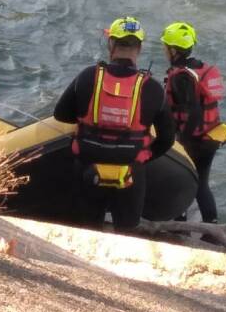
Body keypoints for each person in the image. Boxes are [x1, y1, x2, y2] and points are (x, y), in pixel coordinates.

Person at [53, 16, 176, 231]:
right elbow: (167, 139)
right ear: (139, 48)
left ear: (111, 44)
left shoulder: (88, 76)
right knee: (126, 230)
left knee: (88, 227)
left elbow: (61, 114)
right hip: (130, 172)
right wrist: (142, 157)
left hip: (88, 165)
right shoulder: (153, 88)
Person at [160, 21, 226, 225]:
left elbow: (194, 111)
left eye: (165, 47)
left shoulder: (181, 77)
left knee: (179, 181)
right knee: (201, 184)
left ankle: (179, 222)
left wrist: (181, 142)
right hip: (209, 136)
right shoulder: (198, 68)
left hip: (194, 139)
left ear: (173, 50)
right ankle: (212, 225)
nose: (164, 50)